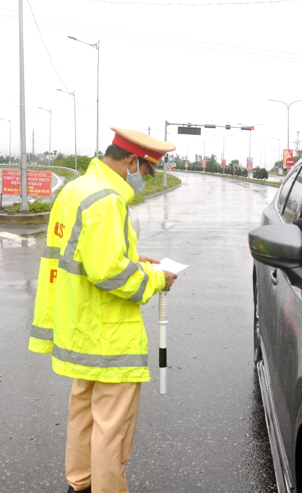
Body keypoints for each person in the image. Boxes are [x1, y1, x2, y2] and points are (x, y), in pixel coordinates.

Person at [28, 127, 178, 493]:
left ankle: (79, 484)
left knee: (82, 418)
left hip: (80, 330)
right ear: (130, 162)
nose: (144, 180)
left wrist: (133, 258)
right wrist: (156, 279)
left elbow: (84, 254)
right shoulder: (108, 200)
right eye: (145, 173)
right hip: (108, 336)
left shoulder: (75, 189)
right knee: (112, 430)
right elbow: (109, 271)